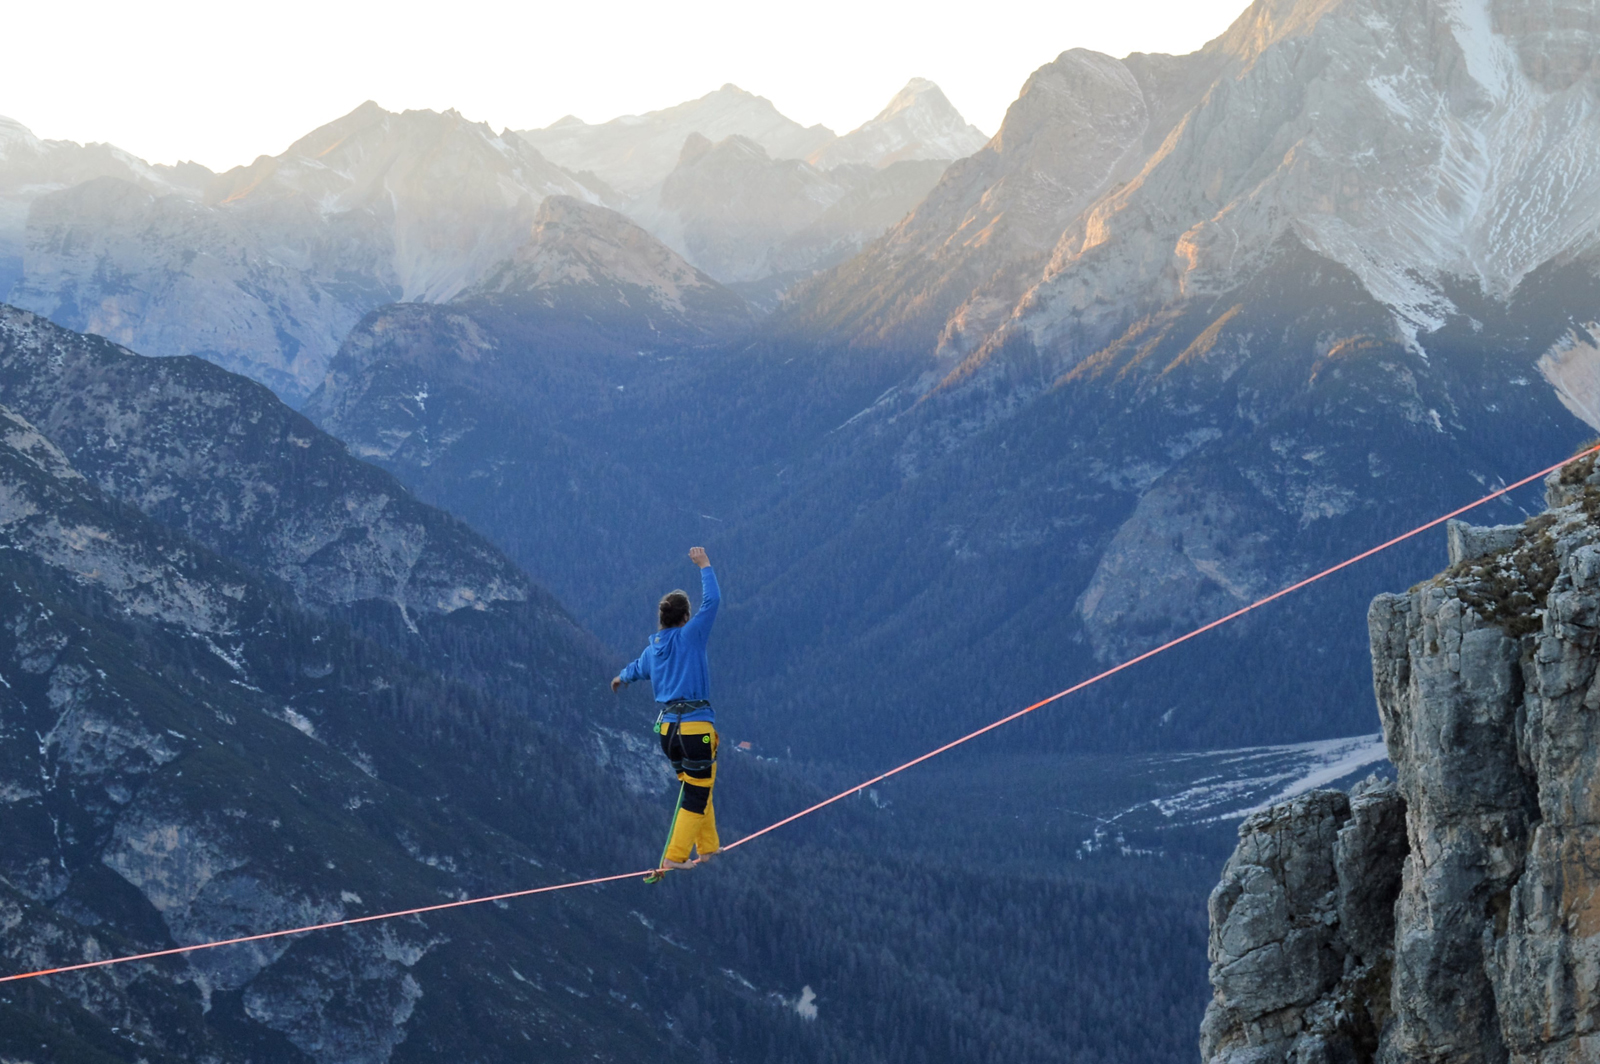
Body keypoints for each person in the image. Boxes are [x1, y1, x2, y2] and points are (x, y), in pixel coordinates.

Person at [612, 546, 721, 882]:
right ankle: (675, 856)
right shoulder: (691, 637)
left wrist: (620, 678)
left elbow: (635, 670)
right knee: (698, 790)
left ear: (662, 619)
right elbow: (712, 602)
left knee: (695, 785)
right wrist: (704, 565)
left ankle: (708, 846)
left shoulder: (653, 650)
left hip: (667, 733)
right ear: (686, 618)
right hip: (694, 727)